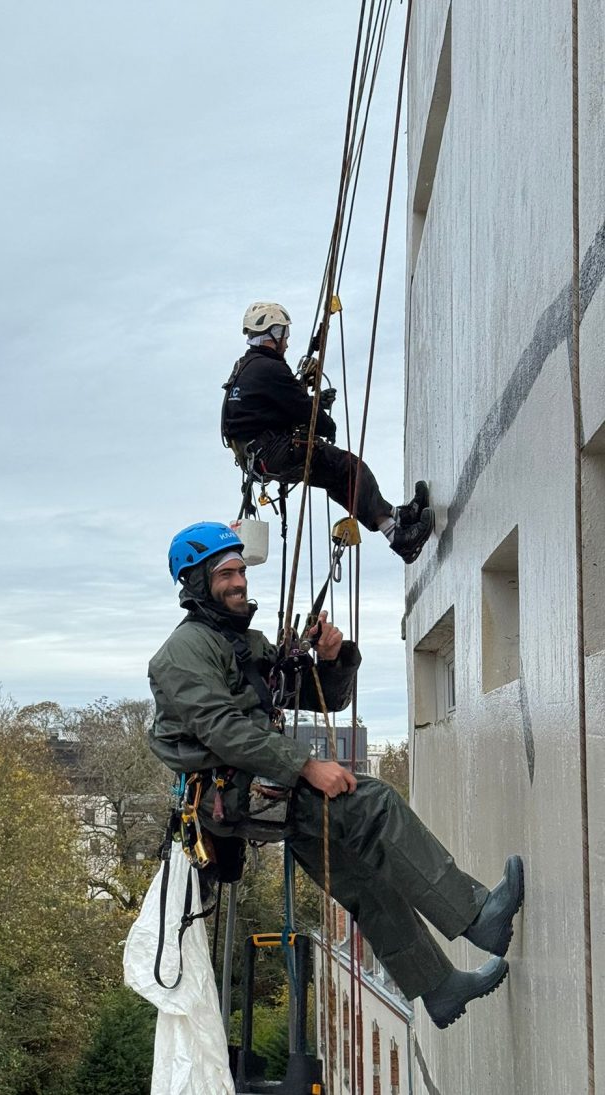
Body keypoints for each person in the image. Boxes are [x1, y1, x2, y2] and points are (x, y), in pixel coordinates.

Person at [147, 522, 525, 1028]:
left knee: (361, 877)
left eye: (240, 570)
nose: (239, 582)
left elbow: (322, 696)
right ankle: (477, 916)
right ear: (194, 582)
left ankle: (438, 988)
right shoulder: (184, 653)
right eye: (225, 574)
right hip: (233, 790)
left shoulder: (243, 642)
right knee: (373, 804)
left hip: (251, 784)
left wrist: (331, 658)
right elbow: (222, 728)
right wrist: (306, 766)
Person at [222, 302, 434, 563]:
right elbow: (302, 410)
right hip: (272, 452)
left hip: (259, 453)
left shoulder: (246, 366)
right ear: (274, 334)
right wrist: (326, 423)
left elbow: (275, 407)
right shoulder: (270, 369)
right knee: (349, 467)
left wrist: (316, 402)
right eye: (285, 335)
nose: (287, 343)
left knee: (336, 477)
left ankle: (395, 518)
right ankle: (398, 538)